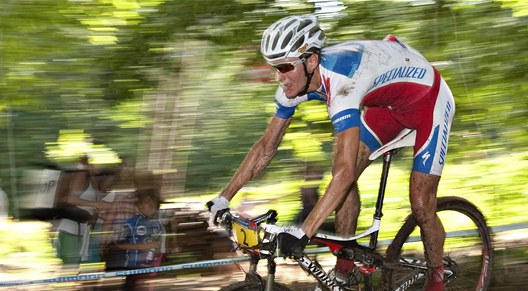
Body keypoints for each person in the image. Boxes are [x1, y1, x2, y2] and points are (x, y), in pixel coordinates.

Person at [208, 14, 455, 291]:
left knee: (421, 204)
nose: (279, 77)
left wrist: (304, 232)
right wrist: (223, 197)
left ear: (311, 61)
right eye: (274, 68)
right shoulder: (296, 83)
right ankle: (345, 266)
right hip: (386, 107)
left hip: (428, 102)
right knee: (342, 177)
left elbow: (345, 171)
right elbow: (267, 146)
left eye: (285, 67)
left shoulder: (342, 82)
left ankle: (436, 276)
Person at [112, 188, 165, 290]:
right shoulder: (132, 222)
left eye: (153, 203)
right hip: (133, 268)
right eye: (147, 202)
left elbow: (157, 250)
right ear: (140, 206)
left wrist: (157, 250)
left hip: (149, 269)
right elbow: (120, 244)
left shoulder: (158, 224)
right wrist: (143, 246)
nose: (151, 205)